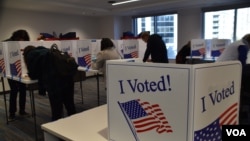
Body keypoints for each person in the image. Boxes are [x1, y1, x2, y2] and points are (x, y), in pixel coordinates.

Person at [23, 45, 76, 121]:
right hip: (67, 77)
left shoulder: (31, 55)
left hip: (54, 82)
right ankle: (75, 124)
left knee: (57, 109)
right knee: (70, 105)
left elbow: (34, 74)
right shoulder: (47, 50)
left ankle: (57, 128)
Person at [3, 29, 30, 121]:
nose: (22, 41)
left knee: (23, 90)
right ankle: (12, 113)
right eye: (21, 39)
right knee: (14, 91)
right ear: (17, 37)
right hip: (11, 71)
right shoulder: (7, 43)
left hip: (21, 71)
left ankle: (22, 110)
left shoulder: (22, 43)